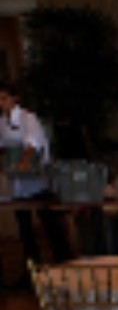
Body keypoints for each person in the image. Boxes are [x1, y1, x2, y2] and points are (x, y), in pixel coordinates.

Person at [0, 80, 70, 265]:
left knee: (48, 222)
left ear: (15, 98)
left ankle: (63, 261)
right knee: (24, 226)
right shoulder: (1, 122)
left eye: (4, 98)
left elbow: (33, 143)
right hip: (17, 182)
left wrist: (23, 161)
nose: (1, 103)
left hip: (36, 178)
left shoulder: (28, 118)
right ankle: (32, 266)